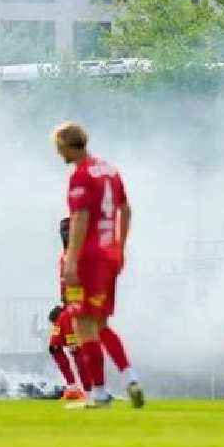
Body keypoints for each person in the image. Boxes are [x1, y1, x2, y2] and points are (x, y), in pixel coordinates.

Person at [54, 123, 144, 410]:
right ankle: (130, 377)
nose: (58, 153)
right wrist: (120, 246)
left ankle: (99, 393)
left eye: (59, 147)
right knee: (101, 323)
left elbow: (79, 219)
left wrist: (71, 259)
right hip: (109, 255)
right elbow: (126, 209)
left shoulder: (80, 176)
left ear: (67, 145)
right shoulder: (110, 170)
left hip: (88, 258)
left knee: (83, 324)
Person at [46, 304, 82, 401]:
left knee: (72, 366)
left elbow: (66, 330)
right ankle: (75, 389)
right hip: (58, 346)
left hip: (56, 346)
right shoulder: (66, 316)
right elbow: (68, 330)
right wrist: (72, 344)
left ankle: (75, 388)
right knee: (77, 364)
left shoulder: (65, 315)